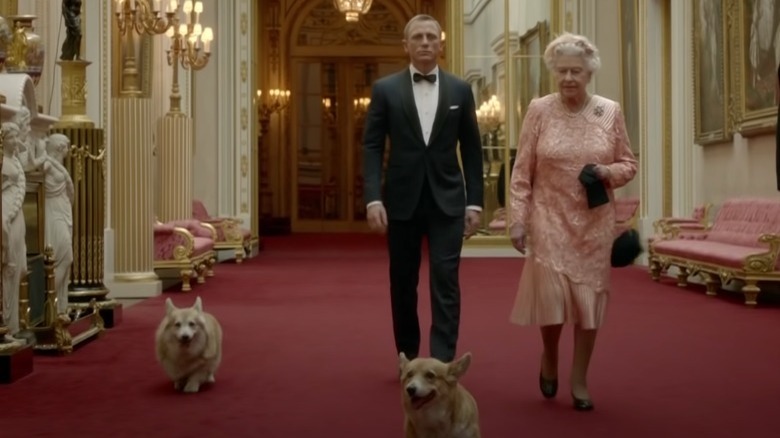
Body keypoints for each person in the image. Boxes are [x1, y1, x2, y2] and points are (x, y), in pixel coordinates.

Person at [507, 33, 637, 411]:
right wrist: (518, 220)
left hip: (594, 222)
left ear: (590, 72)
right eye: (561, 70)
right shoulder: (539, 110)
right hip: (548, 217)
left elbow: (629, 164)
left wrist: (606, 170)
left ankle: (579, 378)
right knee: (552, 300)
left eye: (576, 71)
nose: (568, 78)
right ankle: (549, 354)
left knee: (587, 303)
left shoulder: (609, 111)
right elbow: (521, 172)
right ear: (553, 71)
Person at [362, 14, 483, 364]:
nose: (426, 42)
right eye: (418, 37)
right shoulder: (385, 89)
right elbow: (371, 146)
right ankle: (409, 355)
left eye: (432, 36)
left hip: (447, 199)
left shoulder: (460, 89)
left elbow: (472, 149)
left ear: (441, 44)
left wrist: (474, 203)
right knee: (402, 281)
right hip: (401, 199)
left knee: (445, 280)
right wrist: (373, 198)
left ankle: (443, 360)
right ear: (406, 45)